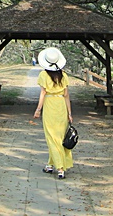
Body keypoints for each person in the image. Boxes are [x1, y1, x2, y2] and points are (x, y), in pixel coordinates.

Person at [33, 46, 73, 179]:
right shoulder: (64, 76)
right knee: (58, 137)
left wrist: (38, 109)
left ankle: (60, 168)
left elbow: (43, 93)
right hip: (61, 105)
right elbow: (66, 95)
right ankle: (50, 165)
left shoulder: (43, 75)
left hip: (50, 105)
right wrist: (69, 113)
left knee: (52, 137)